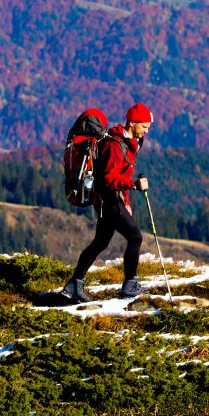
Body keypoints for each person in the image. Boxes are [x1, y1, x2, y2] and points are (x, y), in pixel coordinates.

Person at [62, 102, 153, 302]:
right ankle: (130, 285)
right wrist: (134, 185)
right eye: (144, 126)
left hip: (109, 199)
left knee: (100, 242)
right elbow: (109, 178)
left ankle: (74, 284)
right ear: (132, 123)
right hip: (108, 199)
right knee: (135, 237)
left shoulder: (128, 144)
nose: (147, 130)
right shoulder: (114, 145)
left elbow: (120, 173)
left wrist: (126, 199)